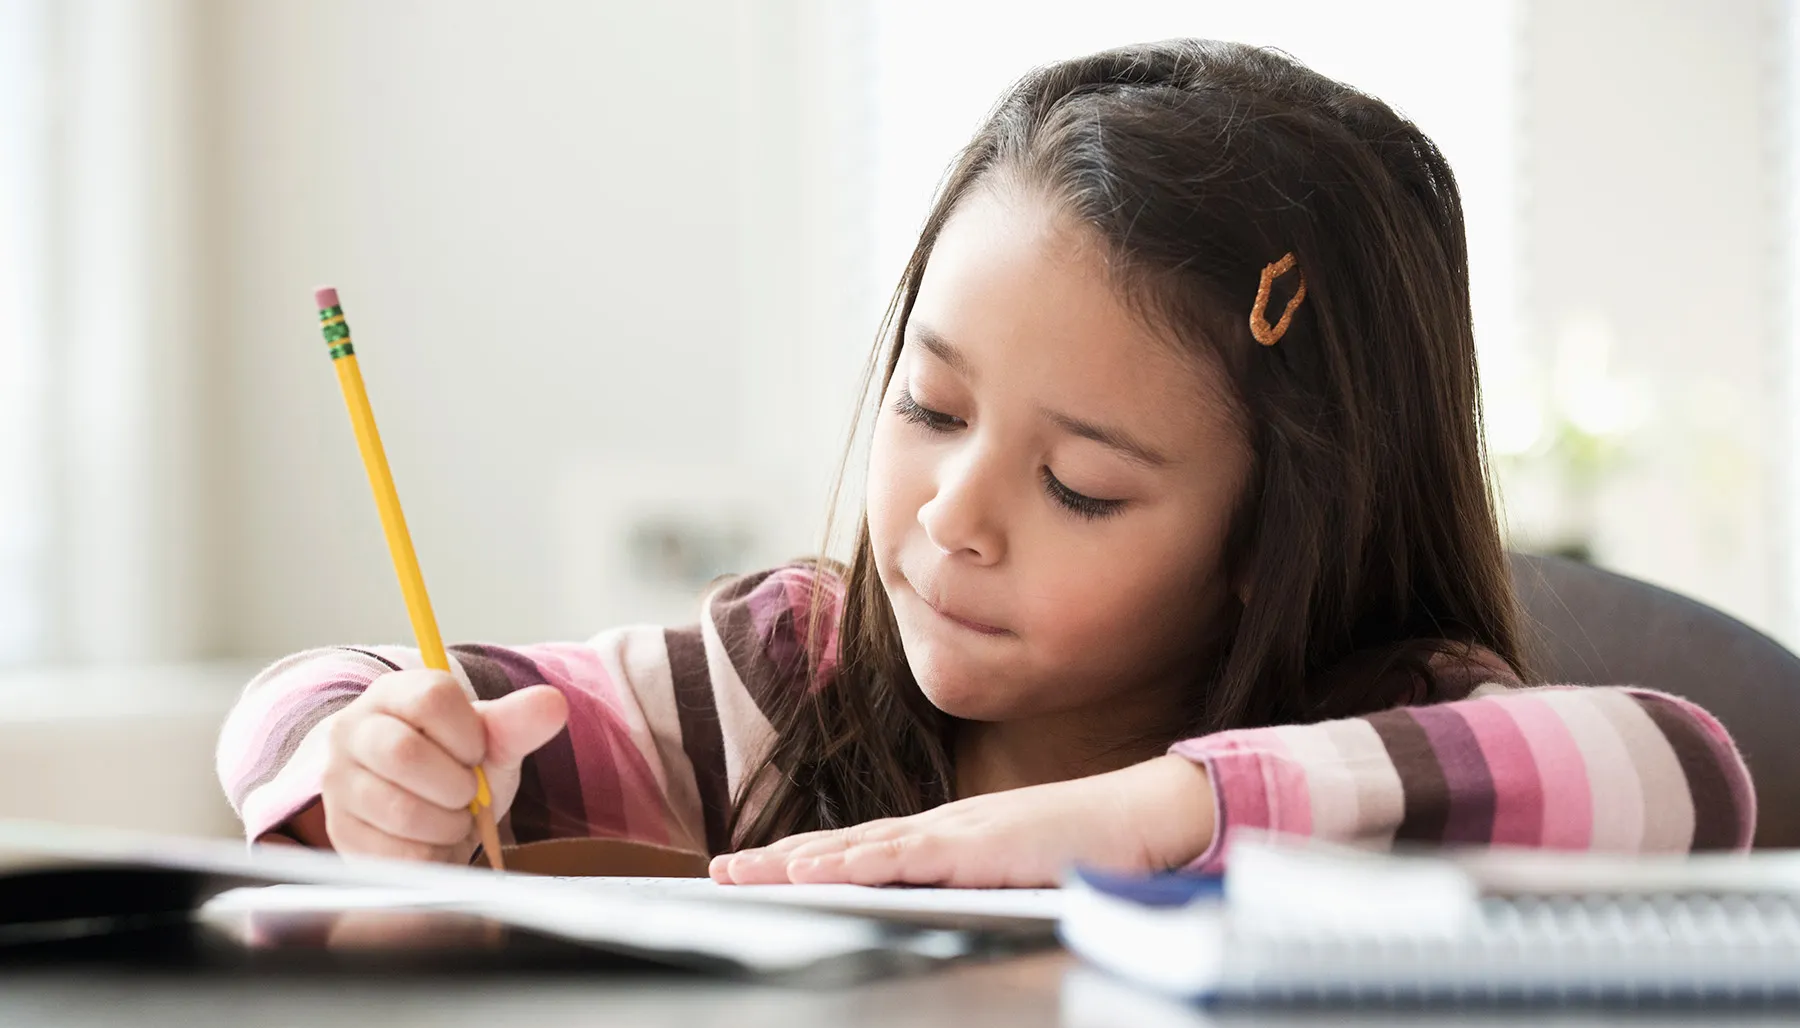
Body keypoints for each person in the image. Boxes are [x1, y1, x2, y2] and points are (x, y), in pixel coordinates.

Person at [217, 40, 1753, 886]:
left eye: (1081, 487)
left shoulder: (1383, 725)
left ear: (1274, 534)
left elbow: (1682, 767)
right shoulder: (790, 682)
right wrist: (377, 767)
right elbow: (306, 699)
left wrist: (1156, 813)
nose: (950, 520)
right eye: (930, 412)